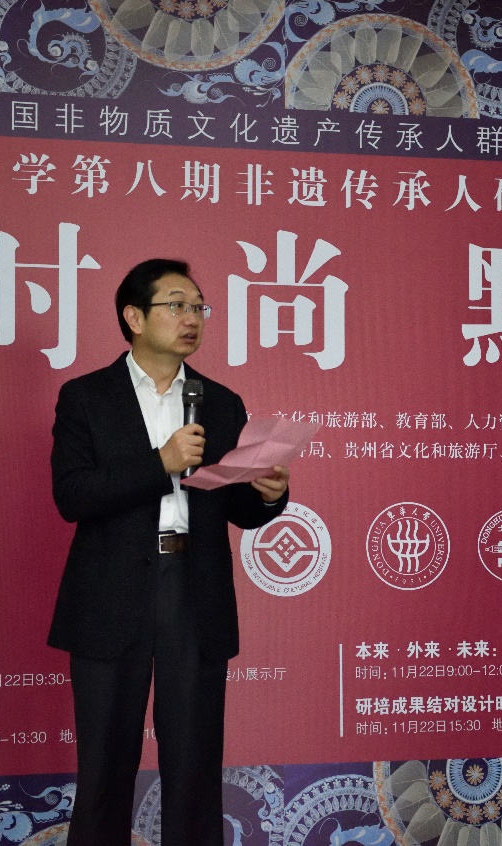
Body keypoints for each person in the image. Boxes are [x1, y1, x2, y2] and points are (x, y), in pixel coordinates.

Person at [47, 258, 289, 846]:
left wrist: (269, 496)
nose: (191, 318)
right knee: (105, 764)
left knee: (194, 762)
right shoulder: (86, 397)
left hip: (194, 590)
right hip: (110, 594)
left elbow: (237, 508)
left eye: (198, 307)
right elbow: (72, 496)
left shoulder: (221, 401)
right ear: (134, 317)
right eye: (176, 305)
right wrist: (161, 463)